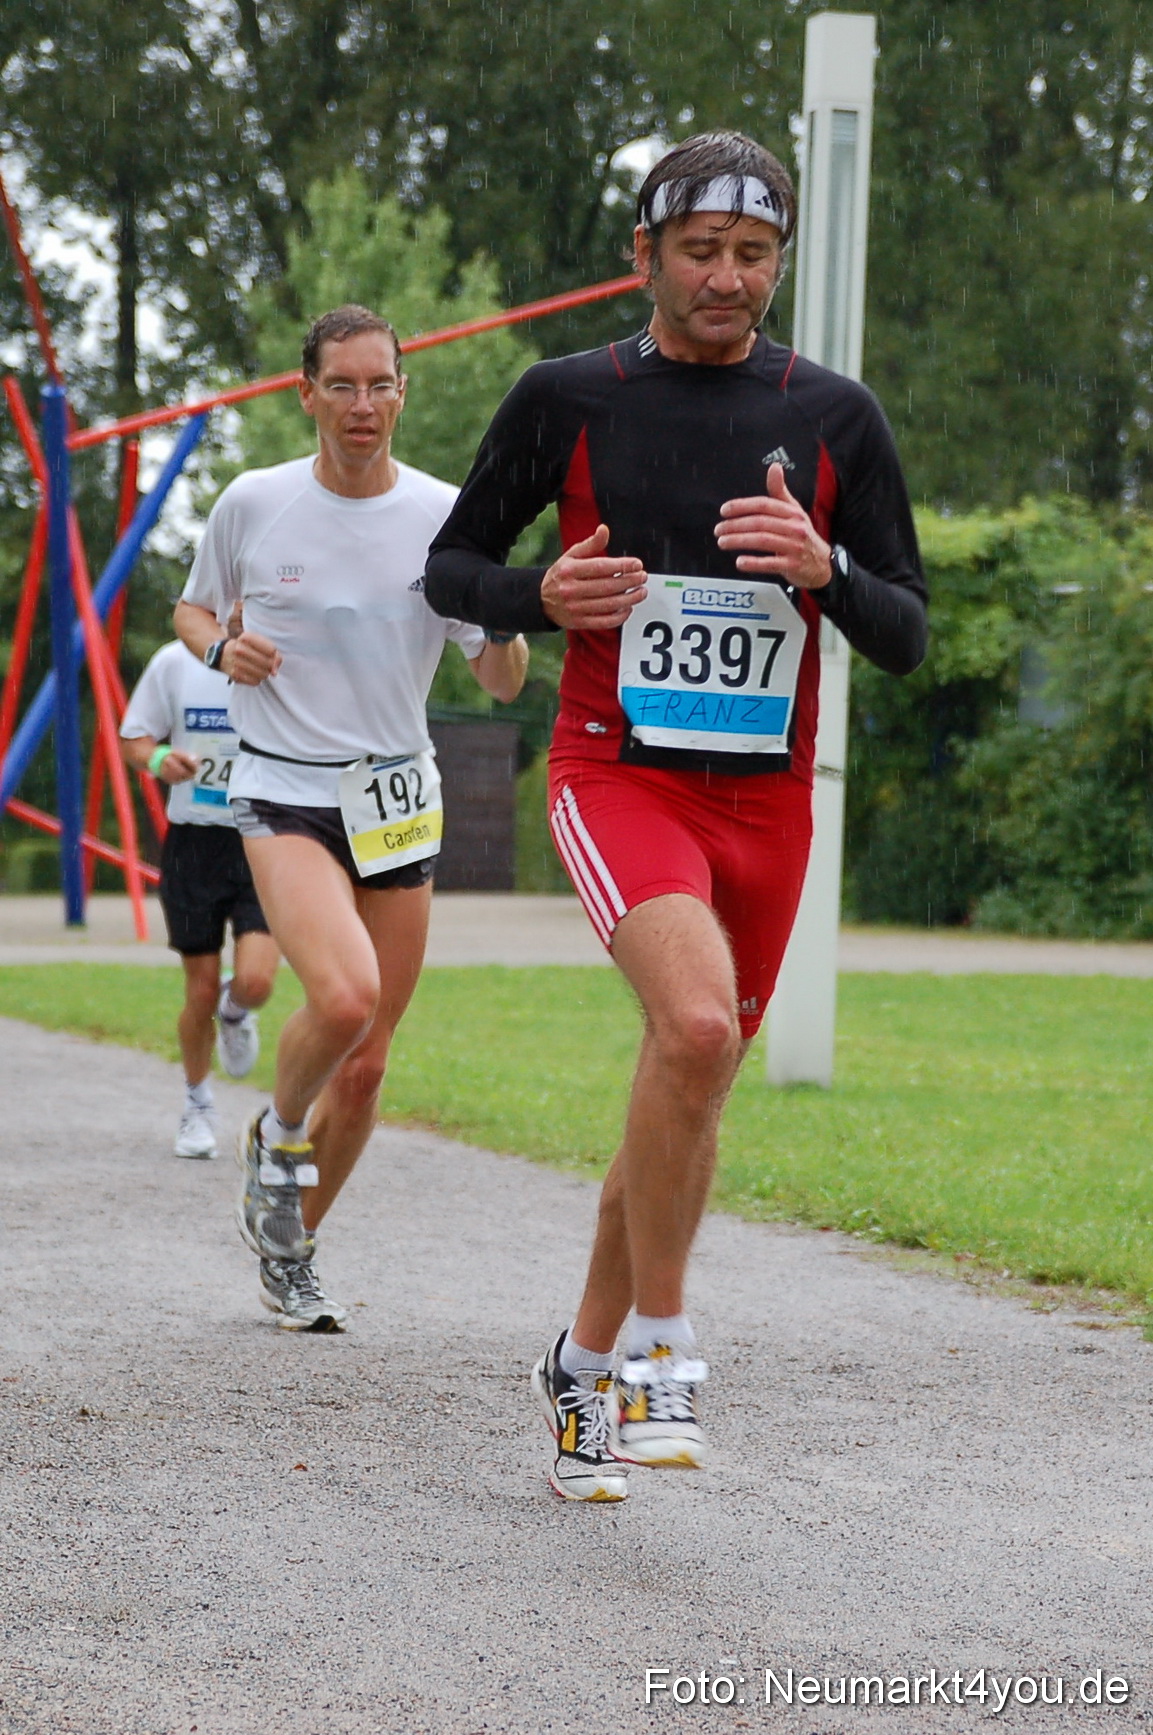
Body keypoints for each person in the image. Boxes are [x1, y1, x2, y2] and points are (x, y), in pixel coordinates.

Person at [425, 132, 927, 1501]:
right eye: (697, 251)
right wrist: (541, 596)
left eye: (752, 254)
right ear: (643, 257)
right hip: (617, 773)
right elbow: (451, 566)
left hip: (765, 807)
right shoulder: (565, 396)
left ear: (779, 263)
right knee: (696, 1026)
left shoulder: (834, 416)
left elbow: (908, 630)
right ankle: (660, 1346)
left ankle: (578, 1374)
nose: (725, 277)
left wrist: (826, 571)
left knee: (684, 1086)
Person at [175, 304, 527, 1332]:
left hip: (397, 799)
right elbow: (196, 610)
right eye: (344, 385)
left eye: (381, 384)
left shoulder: (446, 514)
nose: (363, 405)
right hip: (283, 787)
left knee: (369, 1064)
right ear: (307, 394)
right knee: (343, 1000)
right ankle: (278, 1135)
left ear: (402, 392)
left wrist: (507, 619)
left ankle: (291, 1246)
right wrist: (216, 651)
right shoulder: (255, 502)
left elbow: (501, 679)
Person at [120, 640, 279, 1159]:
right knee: (200, 988)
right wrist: (162, 757)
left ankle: (237, 1013)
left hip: (265, 836)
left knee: (255, 981)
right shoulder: (175, 661)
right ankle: (197, 1105)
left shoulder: (286, 654)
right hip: (195, 841)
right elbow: (133, 739)